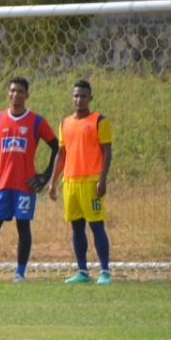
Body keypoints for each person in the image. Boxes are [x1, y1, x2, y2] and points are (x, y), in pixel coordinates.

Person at [0, 77, 59, 283]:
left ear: (27, 95)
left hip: (24, 186)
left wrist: (46, 175)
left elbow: (56, 147)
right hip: (1, 185)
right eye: (12, 91)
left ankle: (19, 274)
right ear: (7, 94)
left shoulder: (37, 121)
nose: (15, 94)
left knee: (23, 228)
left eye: (20, 91)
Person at [49, 80, 113, 284]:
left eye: (83, 96)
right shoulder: (65, 123)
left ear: (90, 98)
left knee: (96, 225)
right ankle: (82, 271)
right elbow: (61, 153)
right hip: (70, 182)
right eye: (76, 96)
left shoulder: (99, 121)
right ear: (72, 98)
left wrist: (102, 180)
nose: (79, 99)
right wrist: (53, 181)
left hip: (91, 182)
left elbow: (107, 152)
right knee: (76, 227)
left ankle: (104, 272)